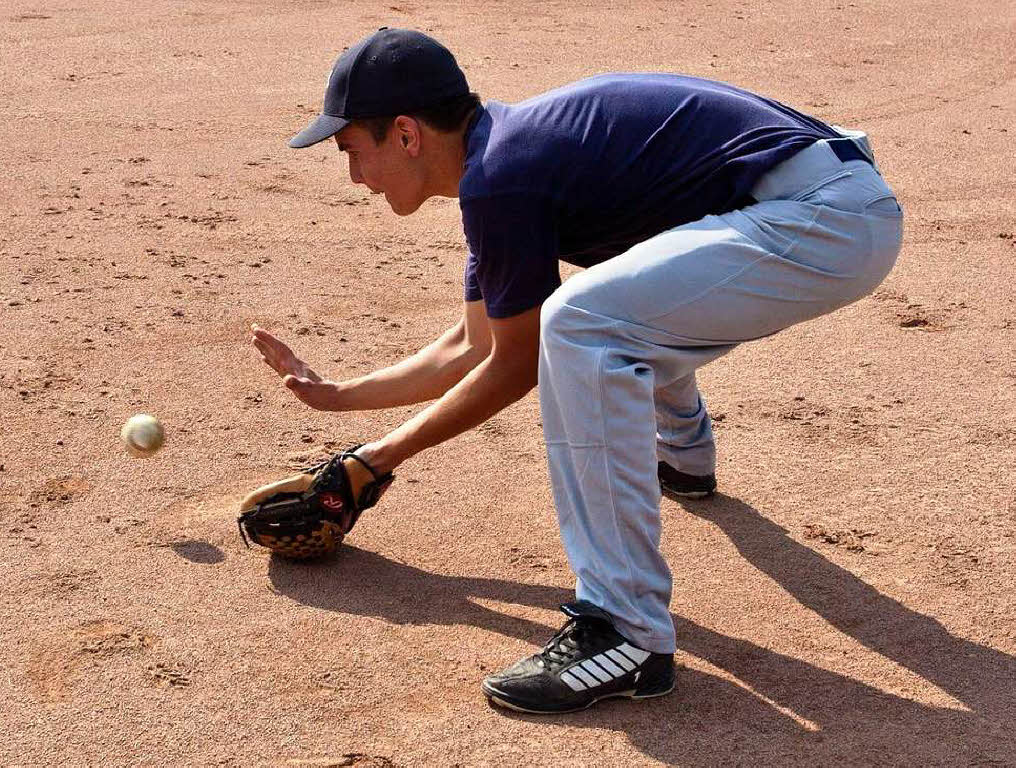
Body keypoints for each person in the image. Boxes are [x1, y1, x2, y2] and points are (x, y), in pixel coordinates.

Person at [251, 27, 903, 714]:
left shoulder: (504, 176)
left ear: (407, 135)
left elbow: (517, 364)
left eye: (353, 150)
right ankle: (683, 454)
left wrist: (373, 464)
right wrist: (338, 398)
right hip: (825, 200)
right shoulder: (504, 158)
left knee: (581, 321)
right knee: (617, 307)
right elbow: (473, 345)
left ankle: (624, 630)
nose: (355, 178)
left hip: (823, 218)